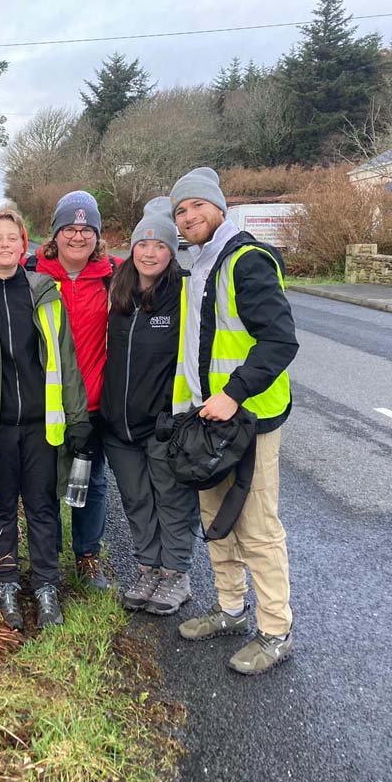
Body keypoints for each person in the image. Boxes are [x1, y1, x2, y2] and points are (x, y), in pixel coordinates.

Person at [169, 167, 299, 675]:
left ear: (218, 208)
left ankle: (275, 630)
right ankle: (229, 609)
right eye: (181, 211)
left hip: (250, 419)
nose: (188, 216)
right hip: (209, 420)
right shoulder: (203, 264)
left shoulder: (246, 261)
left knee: (258, 526)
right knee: (216, 519)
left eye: (197, 206)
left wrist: (233, 393)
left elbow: (281, 341)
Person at [0, 209, 90, 630]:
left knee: (43, 509)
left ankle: (46, 586)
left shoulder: (45, 290)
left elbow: (65, 357)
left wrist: (78, 418)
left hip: (43, 426)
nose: (5, 245)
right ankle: (6, 582)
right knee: (1, 508)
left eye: (13, 238)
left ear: (23, 245)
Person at [100, 197, 198, 616]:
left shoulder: (183, 291)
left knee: (172, 500)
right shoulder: (118, 289)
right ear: (133, 247)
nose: (150, 252)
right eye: (144, 244)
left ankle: (176, 574)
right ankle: (147, 568)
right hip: (118, 426)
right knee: (136, 499)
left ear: (171, 252)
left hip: (163, 424)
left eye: (160, 246)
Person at [25, 190, 121, 591]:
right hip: (44, 399)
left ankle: (87, 555)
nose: (78, 237)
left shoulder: (115, 275)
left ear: (96, 235)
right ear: (56, 233)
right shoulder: (32, 272)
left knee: (91, 480)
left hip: (95, 400)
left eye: (86, 229)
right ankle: (47, 558)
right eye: (69, 228)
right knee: (44, 481)